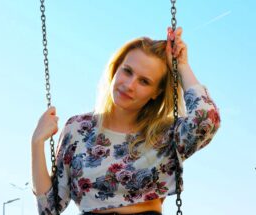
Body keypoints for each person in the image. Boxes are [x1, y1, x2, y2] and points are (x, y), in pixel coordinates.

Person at [31, 27, 221, 215]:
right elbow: (50, 209)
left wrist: (182, 67)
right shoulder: (78, 129)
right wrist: (37, 143)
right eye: (127, 71)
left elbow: (206, 120)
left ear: (157, 92)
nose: (129, 85)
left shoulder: (165, 133)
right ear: (116, 68)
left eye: (144, 81)